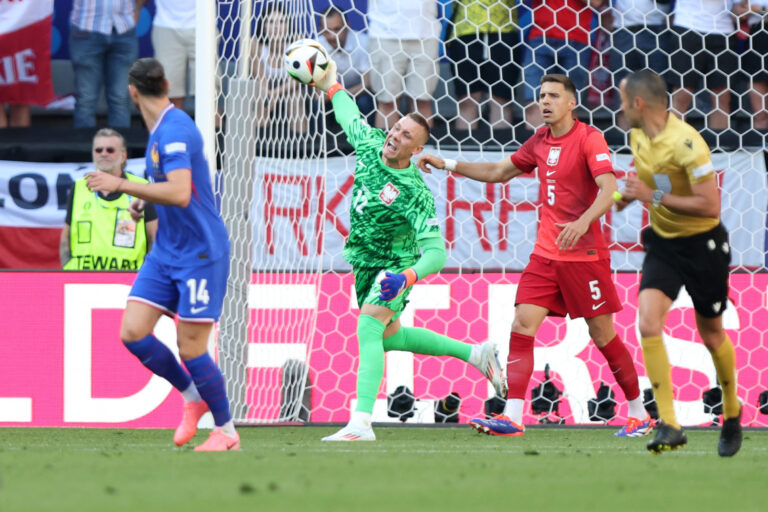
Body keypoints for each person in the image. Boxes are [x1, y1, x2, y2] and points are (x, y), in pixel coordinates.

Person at [417, 74, 651, 438]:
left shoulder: (590, 138)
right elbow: (499, 171)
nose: (545, 102)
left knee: (603, 335)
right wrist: (448, 164)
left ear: (571, 103)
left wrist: (583, 220)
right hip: (545, 255)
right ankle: (512, 416)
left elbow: (609, 190)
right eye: (542, 96)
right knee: (521, 325)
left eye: (554, 96)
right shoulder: (540, 140)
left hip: (583, 256)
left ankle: (638, 413)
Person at [312, 59, 506, 442]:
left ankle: (361, 423)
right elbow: (350, 115)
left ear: (418, 149)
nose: (394, 136)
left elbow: (436, 254)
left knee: (368, 328)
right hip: (363, 262)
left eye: (405, 136)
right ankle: (476, 354)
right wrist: (332, 84)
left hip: (394, 268)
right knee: (389, 337)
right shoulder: (370, 146)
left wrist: (406, 276)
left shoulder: (415, 193)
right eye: (396, 128)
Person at [85, 58, 239, 451]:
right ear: (165, 83)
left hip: (200, 253)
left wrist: (122, 185)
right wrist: (143, 204)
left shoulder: (174, 131)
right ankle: (193, 397)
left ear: (131, 91)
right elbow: (168, 193)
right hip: (168, 250)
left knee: (191, 348)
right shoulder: (159, 129)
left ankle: (226, 431)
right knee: (133, 332)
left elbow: (180, 192)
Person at [616, 69, 742, 456]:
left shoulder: (689, 144)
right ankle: (669, 424)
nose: (618, 108)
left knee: (711, 334)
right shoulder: (637, 136)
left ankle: (732, 411)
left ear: (639, 103)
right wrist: (618, 200)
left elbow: (709, 205)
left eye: (623, 100)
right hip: (665, 245)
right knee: (647, 322)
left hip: (703, 244)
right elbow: (645, 182)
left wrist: (650, 196)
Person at [61, 128, 157, 270]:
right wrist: (67, 272)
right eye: (98, 150)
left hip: (127, 281)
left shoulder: (141, 188)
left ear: (123, 156)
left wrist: (147, 276)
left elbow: (155, 238)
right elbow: (65, 239)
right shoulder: (79, 187)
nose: (103, 154)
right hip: (82, 282)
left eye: (110, 150)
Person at [521, 0, 605, 129]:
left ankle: (568, 147)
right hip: (540, 37)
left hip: (577, 40)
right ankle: (536, 147)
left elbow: (596, 3)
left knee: (569, 104)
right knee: (535, 102)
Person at [445, 0, 520, 132]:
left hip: (503, 28)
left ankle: (500, 149)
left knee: (500, 99)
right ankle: (464, 150)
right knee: (467, 99)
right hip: (465, 29)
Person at [367, 0, 441, 129]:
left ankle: (422, 148)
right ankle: (386, 148)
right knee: (387, 101)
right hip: (385, 33)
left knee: (422, 100)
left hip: (425, 32)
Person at [667, 0, 736, 131]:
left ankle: (720, 144)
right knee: (682, 93)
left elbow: (740, 7)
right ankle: (674, 144)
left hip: (723, 30)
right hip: (688, 27)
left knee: (722, 94)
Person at [69, 0, 138, 128]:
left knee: (120, 98)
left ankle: (118, 147)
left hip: (124, 28)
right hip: (87, 27)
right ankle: (84, 147)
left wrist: (137, 10)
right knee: (86, 99)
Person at [250, 3, 308, 134]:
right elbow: (259, 77)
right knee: (260, 94)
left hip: (290, 87)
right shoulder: (255, 44)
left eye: (281, 21)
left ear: (288, 24)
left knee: (295, 96)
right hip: (265, 86)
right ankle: (262, 143)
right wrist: (268, 94)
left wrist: (277, 93)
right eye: (271, 22)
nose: (276, 27)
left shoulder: (297, 41)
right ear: (263, 25)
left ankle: (300, 143)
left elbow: (298, 78)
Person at [150, 0, 196, 110]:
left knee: (208, 94)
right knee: (170, 94)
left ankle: (216, 128)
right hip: (166, 25)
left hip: (203, 25)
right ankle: (176, 127)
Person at [734, 0, 768, 130]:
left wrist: (758, 9)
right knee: (760, 112)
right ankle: (761, 147)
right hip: (756, 39)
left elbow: (752, 9)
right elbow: (737, 12)